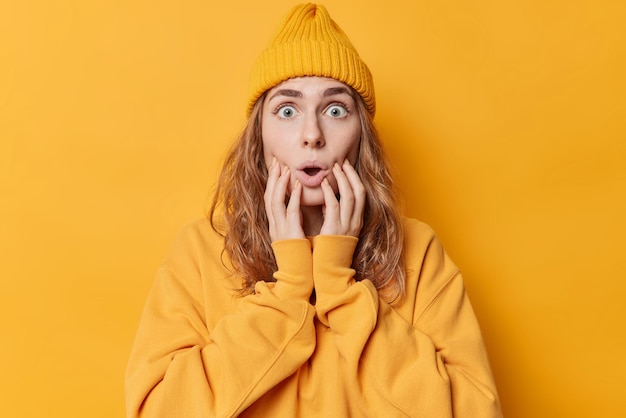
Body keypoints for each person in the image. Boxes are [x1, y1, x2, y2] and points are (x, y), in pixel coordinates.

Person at [125, 3, 503, 417]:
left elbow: (473, 411)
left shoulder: (417, 250)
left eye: (335, 109)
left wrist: (339, 285)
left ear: (362, 137)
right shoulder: (200, 249)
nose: (311, 135)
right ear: (260, 137)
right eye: (287, 111)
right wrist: (289, 288)